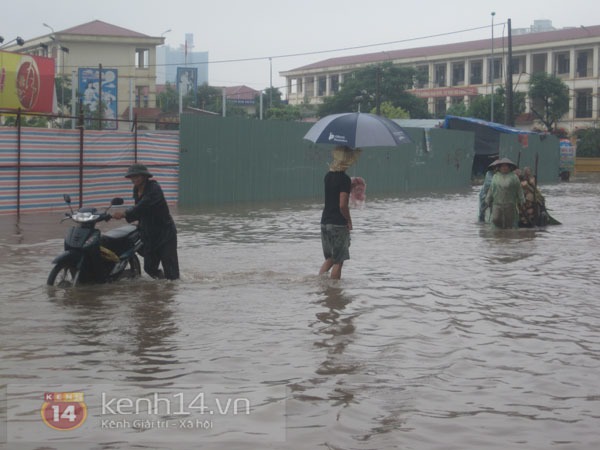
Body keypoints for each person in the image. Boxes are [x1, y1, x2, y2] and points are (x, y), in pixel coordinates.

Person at [112, 164, 180, 280]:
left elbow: (144, 205)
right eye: (132, 177)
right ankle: (162, 283)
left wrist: (125, 214)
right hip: (149, 233)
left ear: (144, 176)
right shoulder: (136, 189)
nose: (134, 179)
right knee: (149, 268)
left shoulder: (154, 188)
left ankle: (170, 290)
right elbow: (140, 211)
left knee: (171, 272)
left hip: (165, 233)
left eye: (137, 176)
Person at [319, 146, 361, 280]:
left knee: (330, 258)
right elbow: (342, 205)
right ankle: (334, 293)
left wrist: (349, 186)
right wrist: (349, 221)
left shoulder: (328, 176)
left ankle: (321, 284)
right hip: (338, 224)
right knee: (338, 261)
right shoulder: (344, 179)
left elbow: (333, 193)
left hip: (325, 222)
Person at [484, 158, 525, 229]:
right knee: (496, 220)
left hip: (510, 204)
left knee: (509, 223)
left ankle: (508, 236)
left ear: (509, 167)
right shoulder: (495, 177)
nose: (504, 168)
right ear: (499, 168)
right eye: (502, 166)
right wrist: (488, 199)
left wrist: (522, 199)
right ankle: (498, 236)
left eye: (506, 166)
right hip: (497, 204)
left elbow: (519, 189)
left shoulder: (514, 177)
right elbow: (491, 189)